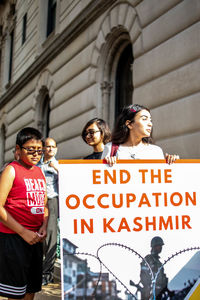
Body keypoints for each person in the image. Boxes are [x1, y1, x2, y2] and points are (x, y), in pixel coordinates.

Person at [0, 127, 48, 300]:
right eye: (30, 150)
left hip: (35, 239)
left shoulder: (39, 171)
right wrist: (23, 232)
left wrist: (44, 225)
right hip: (14, 239)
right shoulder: (11, 170)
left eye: (39, 150)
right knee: (15, 293)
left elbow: (44, 204)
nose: (36, 154)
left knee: (31, 288)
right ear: (18, 150)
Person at [102, 104, 179, 164]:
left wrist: (172, 163)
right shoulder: (110, 148)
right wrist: (106, 165)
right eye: (144, 119)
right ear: (129, 124)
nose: (150, 124)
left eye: (150, 120)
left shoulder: (155, 151)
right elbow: (101, 178)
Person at [38, 137, 59, 285]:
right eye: (48, 146)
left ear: (56, 149)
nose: (50, 149)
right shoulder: (36, 166)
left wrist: (57, 169)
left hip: (51, 201)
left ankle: (47, 274)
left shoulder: (59, 165)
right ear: (43, 149)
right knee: (38, 237)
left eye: (53, 146)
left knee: (51, 237)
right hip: (37, 202)